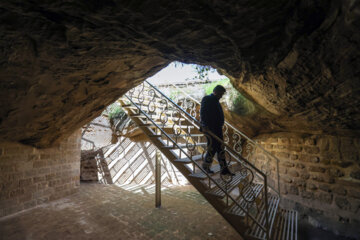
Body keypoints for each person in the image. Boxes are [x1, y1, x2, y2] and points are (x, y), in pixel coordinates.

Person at [200, 85, 234, 176]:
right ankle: (206, 166)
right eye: (220, 94)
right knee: (212, 147)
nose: (221, 96)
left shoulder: (216, 101)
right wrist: (204, 125)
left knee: (220, 148)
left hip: (217, 128)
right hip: (210, 128)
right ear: (215, 92)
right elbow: (202, 112)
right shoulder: (207, 98)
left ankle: (224, 169)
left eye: (222, 94)